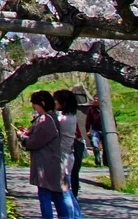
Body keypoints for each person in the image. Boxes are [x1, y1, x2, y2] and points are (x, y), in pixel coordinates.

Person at [20, 90, 70, 219]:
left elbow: (34, 142)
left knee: (46, 196)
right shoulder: (51, 117)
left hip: (46, 164)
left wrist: (23, 137)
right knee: (57, 195)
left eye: (34, 104)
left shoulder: (46, 119)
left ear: (41, 103)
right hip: (53, 162)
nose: (33, 106)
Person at [53, 89, 84, 219]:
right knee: (68, 191)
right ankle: (77, 216)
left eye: (56, 99)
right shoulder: (71, 117)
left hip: (63, 157)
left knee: (65, 192)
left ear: (62, 102)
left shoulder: (62, 119)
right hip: (68, 156)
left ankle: (71, 216)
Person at [84, 98, 104, 167]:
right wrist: (87, 130)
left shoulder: (104, 108)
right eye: (94, 99)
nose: (95, 101)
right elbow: (88, 121)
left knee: (107, 148)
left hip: (105, 130)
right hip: (95, 130)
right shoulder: (91, 109)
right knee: (95, 146)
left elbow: (112, 118)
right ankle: (98, 162)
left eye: (97, 99)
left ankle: (106, 162)